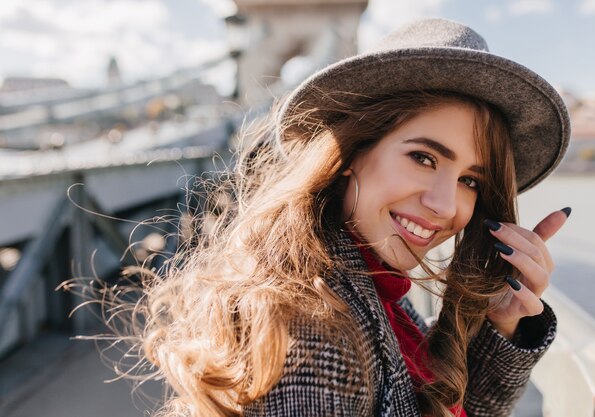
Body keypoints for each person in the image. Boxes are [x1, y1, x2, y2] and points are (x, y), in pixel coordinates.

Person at [131, 18, 571, 417]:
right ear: (350, 153)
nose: (445, 204)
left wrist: (502, 324)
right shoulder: (313, 332)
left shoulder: (367, 290)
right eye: (423, 157)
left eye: (471, 181)